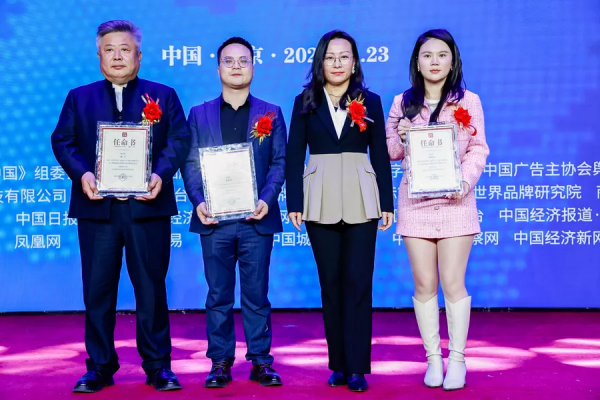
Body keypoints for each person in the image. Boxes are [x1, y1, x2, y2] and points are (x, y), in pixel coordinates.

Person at [51, 20, 190, 393]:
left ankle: (158, 366)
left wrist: (160, 174)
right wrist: (83, 174)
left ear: (138, 56)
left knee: (151, 288)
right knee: (97, 290)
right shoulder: (79, 97)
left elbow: (179, 139)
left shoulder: (163, 95)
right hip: (97, 209)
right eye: (109, 49)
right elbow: (62, 140)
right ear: (98, 56)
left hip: (148, 208)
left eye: (124, 49)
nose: (117, 56)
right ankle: (99, 366)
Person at [285, 30, 394, 393]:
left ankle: (358, 367)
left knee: (359, 283)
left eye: (344, 56)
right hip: (319, 198)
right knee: (330, 283)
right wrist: (295, 203)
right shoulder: (305, 101)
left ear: (354, 62)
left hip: (362, 197)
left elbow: (379, 153)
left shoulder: (370, 101)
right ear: (321, 61)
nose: (337, 63)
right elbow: (294, 154)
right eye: (330, 57)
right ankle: (339, 364)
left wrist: (386, 202)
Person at [386, 29, 489, 391]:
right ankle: (433, 359)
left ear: (452, 60)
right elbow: (391, 153)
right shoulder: (402, 103)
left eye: (442, 55)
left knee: (452, 282)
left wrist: (465, 182)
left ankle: (457, 359)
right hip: (415, 204)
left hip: (457, 203)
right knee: (424, 283)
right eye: (427, 55)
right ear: (417, 61)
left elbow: (478, 148)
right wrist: (400, 135)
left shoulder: (469, 101)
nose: (434, 61)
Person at [181, 37, 286, 389]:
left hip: (257, 219)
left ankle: (261, 361)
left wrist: (267, 199)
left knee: (257, 295)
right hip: (214, 220)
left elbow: (279, 162)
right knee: (218, 295)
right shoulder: (199, 114)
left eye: (243, 60)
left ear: (253, 67)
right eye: (229, 61)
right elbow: (190, 163)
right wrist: (198, 201)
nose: (236, 66)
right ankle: (220, 361)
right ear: (218, 69)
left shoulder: (271, 112)